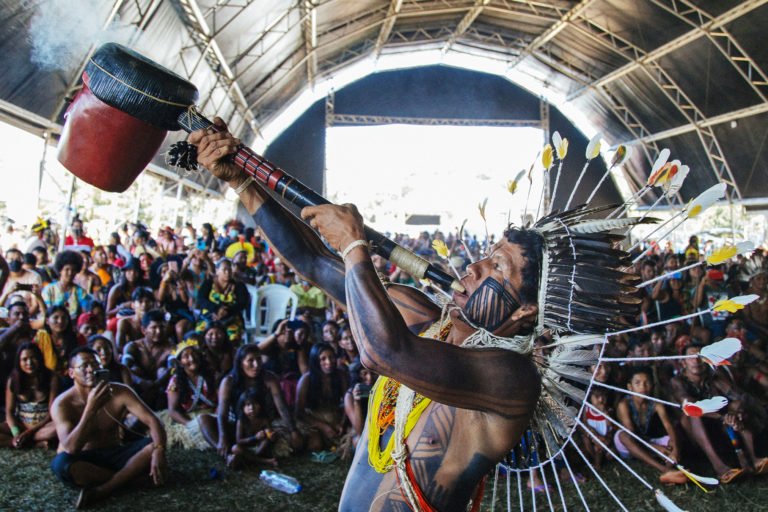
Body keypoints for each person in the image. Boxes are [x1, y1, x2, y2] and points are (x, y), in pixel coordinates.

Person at [191, 120, 548, 510]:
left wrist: (354, 245)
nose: (476, 266)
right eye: (487, 254)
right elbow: (314, 262)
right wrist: (242, 180)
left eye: (498, 267)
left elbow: (386, 354)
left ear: (526, 309)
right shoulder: (420, 317)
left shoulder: (511, 378)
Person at [50, 347, 168, 509]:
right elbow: (71, 447)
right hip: (86, 461)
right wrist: (91, 408)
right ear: (71, 373)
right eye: (84, 366)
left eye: (95, 364)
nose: (91, 369)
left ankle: (103, 489)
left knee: (153, 444)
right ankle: (130, 480)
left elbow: (154, 421)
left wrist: (160, 450)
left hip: (116, 453)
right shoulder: (62, 404)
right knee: (60, 464)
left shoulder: (120, 391)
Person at [215, 344, 300, 462]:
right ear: (240, 363)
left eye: (259, 359)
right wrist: (222, 436)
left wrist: (293, 431)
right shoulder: (228, 381)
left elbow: (282, 407)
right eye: (250, 361)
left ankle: (246, 456)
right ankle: (227, 452)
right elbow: (222, 413)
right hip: (238, 425)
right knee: (203, 420)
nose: (256, 365)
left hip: (262, 425)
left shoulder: (269, 378)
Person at [613, 366, 685, 484]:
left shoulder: (656, 404)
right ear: (630, 387)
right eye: (638, 383)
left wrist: (675, 450)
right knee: (623, 435)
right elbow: (632, 434)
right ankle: (664, 469)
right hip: (628, 445)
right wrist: (655, 448)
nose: (643, 387)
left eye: (647, 383)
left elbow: (668, 426)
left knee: (672, 439)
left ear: (652, 385)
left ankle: (671, 463)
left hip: (646, 440)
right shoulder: (624, 404)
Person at [160, 338, 218, 450]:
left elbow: (221, 402)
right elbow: (173, 410)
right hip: (188, 418)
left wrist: (217, 417)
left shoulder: (212, 375)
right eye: (186, 356)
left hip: (211, 415)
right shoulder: (176, 381)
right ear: (180, 363)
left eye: (194, 354)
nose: (192, 358)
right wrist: (191, 426)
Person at [2, 342, 59, 449]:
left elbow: (51, 414)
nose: (29, 363)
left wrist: (29, 432)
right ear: (19, 362)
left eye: (33, 358)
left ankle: (25, 441)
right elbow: (9, 411)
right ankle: (29, 443)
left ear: (40, 359)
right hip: (21, 424)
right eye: (24, 359)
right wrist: (16, 433)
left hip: (43, 426)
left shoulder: (52, 378)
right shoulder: (13, 379)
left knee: (59, 428)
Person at [295, 342, 348, 452]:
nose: (328, 362)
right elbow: (299, 412)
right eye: (323, 359)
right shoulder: (306, 379)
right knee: (315, 445)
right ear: (315, 361)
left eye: (331, 357)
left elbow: (348, 403)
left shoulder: (341, 375)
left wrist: (343, 423)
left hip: (334, 416)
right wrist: (323, 426)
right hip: (312, 418)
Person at [122, 310, 173, 410]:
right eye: (154, 328)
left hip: (161, 392)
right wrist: (141, 382)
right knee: (134, 369)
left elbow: (173, 368)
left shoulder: (171, 348)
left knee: (162, 371)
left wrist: (155, 384)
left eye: (162, 327)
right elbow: (125, 368)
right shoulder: (133, 346)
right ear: (144, 330)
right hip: (139, 391)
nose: (158, 331)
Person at [41, 251, 92, 321]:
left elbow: (85, 314)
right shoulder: (49, 290)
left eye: (73, 270)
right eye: (67, 269)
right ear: (60, 270)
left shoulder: (80, 292)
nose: (70, 273)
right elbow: (45, 313)